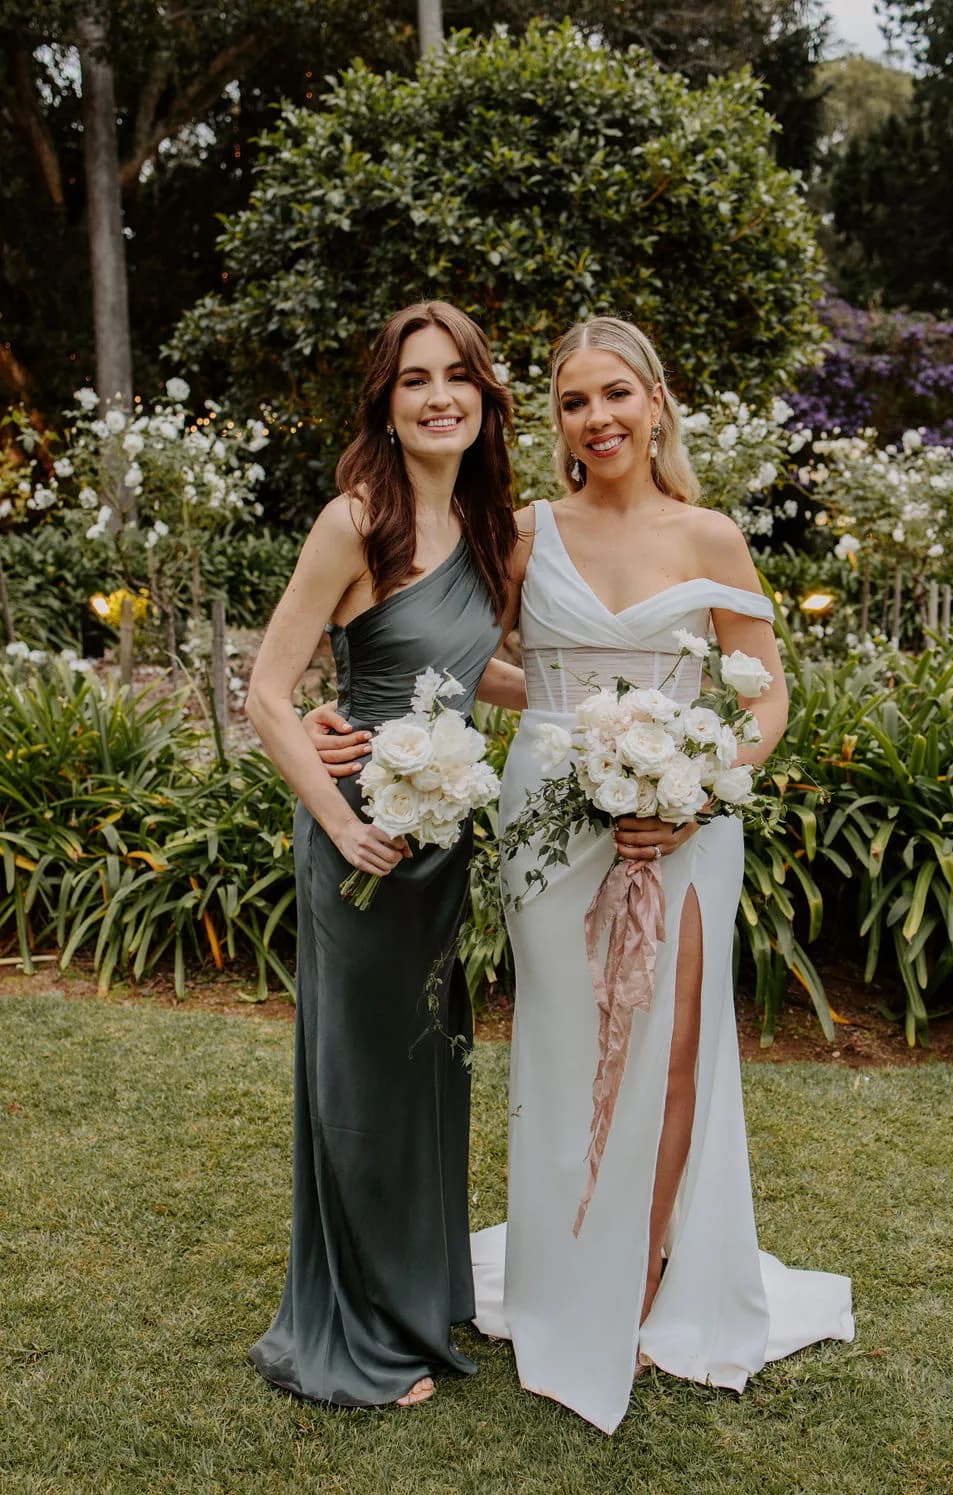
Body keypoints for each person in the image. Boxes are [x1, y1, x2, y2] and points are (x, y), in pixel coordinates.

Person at [311, 315, 854, 1434]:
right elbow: (452, 652)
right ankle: (566, 1275)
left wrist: (701, 784)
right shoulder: (519, 533)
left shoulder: (710, 538)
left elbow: (764, 692)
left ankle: (648, 1281)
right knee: (563, 1051)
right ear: (553, 420)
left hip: (686, 824)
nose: (596, 418)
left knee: (675, 1050)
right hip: (548, 825)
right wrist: (347, 710)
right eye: (572, 401)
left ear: (655, 400)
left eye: (615, 394)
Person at [244, 300, 523, 1409]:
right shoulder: (353, 519)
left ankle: (417, 1291)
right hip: (359, 836)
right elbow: (268, 694)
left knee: (426, 1068)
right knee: (360, 1080)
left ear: (482, 397)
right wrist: (336, 815)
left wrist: (598, 700)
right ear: (387, 401)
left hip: (438, 839)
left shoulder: (489, 528)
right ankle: (352, 1332)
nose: (438, 395)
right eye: (415, 379)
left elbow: (470, 672)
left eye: (457, 375)